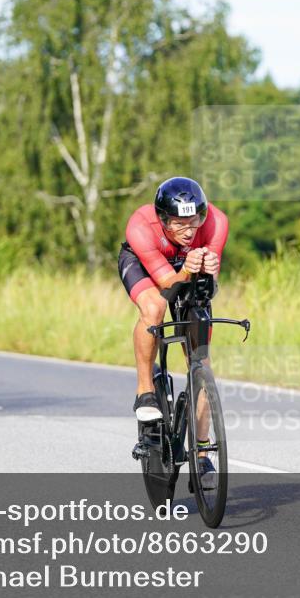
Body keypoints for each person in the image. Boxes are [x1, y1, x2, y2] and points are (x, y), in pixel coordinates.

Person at [118, 177, 228, 479]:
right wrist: (186, 270)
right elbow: (167, 284)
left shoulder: (216, 222)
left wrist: (209, 273)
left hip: (187, 267)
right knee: (153, 309)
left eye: (194, 222)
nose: (189, 231)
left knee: (201, 360)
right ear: (164, 219)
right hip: (145, 265)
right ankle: (145, 390)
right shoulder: (141, 226)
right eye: (179, 224)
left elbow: (208, 287)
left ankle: (203, 452)